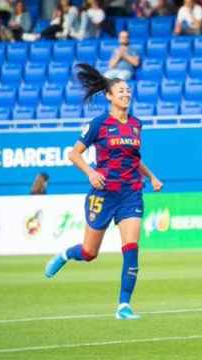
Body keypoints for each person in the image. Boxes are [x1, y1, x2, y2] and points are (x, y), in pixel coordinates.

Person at [44, 63, 164, 320]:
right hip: (103, 193)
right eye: (121, 90)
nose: (126, 93)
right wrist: (91, 172)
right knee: (89, 253)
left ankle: (123, 305)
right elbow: (73, 154)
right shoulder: (99, 124)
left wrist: (152, 177)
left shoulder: (136, 124)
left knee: (131, 247)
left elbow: (134, 158)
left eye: (128, 90)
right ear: (109, 96)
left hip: (131, 192)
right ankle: (66, 254)